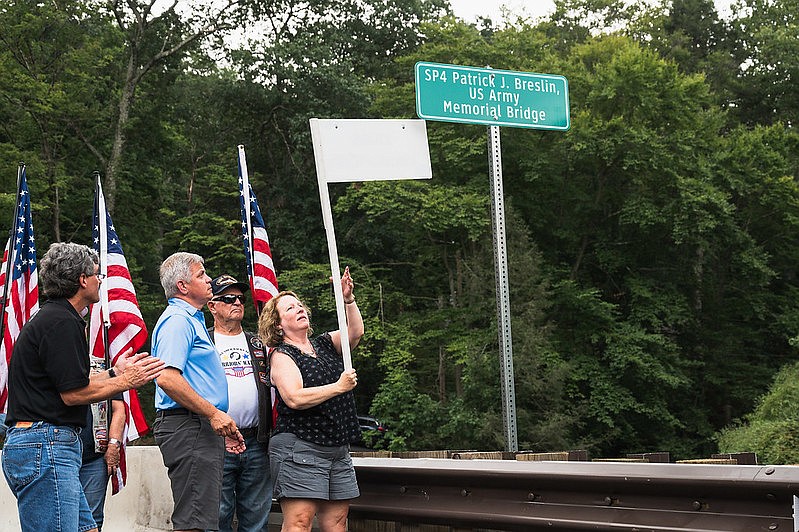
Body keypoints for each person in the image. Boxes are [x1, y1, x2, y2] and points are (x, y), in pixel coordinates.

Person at [1, 242, 164, 532]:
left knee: (88, 529)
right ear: (82, 279)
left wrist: (115, 371)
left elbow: (74, 383)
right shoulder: (61, 322)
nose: (100, 280)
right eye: (97, 274)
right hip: (46, 445)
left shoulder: (56, 318)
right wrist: (126, 381)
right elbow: (74, 395)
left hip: (44, 444)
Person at [258, 266, 363, 532]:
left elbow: (355, 333)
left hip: (337, 447)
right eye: (291, 308)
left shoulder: (324, 344)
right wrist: (338, 387)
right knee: (299, 522)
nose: (300, 309)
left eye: (300, 305)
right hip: (301, 448)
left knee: (337, 522)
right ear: (278, 325)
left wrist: (348, 299)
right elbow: (294, 398)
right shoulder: (281, 355)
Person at [151, 252, 245, 532]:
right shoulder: (178, 321)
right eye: (201, 275)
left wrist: (218, 424)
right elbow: (167, 378)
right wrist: (213, 413)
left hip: (198, 426)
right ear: (183, 286)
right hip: (188, 425)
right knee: (194, 523)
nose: (209, 280)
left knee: (202, 519)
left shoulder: (191, 320)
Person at [207, 274, 273, 532]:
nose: (236, 302)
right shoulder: (203, 342)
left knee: (257, 516)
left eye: (240, 298)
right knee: (217, 516)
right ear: (212, 305)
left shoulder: (260, 343)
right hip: (215, 440)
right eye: (228, 298)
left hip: (256, 440)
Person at [79, 395, 125, 532]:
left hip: (95, 457)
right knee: (58, 515)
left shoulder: (108, 372)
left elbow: (118, 409)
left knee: (92, 520)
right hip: (58, 453)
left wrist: (114, 444)